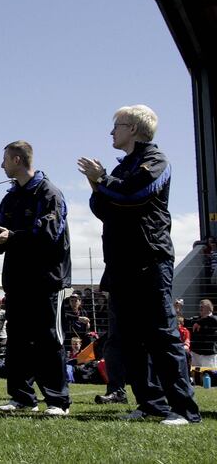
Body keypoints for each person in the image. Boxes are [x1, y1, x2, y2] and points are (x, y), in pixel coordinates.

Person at [78, 104, 200, 425]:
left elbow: (134, 195)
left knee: (162, 335)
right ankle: (151, 404)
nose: (111, 132)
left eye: (116, 125)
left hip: (150, 260)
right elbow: (104, 207)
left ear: (133, 127)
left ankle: (184, 410)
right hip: (120, 262)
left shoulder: (156, 160)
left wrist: (102, 178)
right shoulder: (121, 168)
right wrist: (97, 183)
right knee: (128, 339)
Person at [0, 140, 72, 416]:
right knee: (18, 339)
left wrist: (11, 236)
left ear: (18, 160)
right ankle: (22, 396)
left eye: (5, 160)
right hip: (17, 279)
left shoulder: (49, 193)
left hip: (46, 279)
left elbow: (49, 235)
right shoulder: (10, 197)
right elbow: (4, 241)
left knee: (48, 339)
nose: (1, 165)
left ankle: (57, 400)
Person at [188, 299, 217, 368]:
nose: (200, 308)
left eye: (202, 306)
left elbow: (212, 319)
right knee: (196, 376)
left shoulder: (214, 319)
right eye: (200, 306)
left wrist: (199, 322)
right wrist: (177, 310)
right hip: (195, 354)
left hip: (209, 356)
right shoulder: (196, 319)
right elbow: (182, 321)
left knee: (209, 375)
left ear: (209, 308)